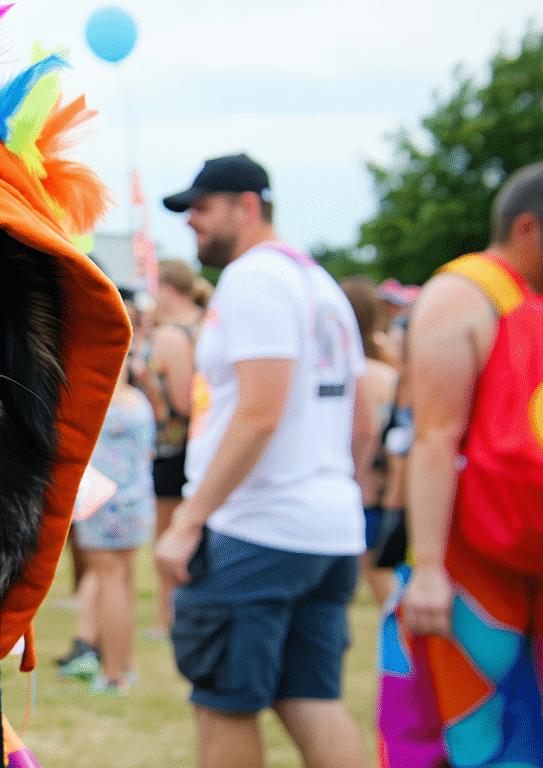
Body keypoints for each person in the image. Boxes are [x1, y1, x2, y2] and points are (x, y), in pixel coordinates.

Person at [154, 153, 371, 768]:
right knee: (312, 700)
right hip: (324, 526)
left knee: (223, 705)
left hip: (256, 531)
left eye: (202, 207)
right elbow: (359, 418)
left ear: (247, 206)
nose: (191, 222)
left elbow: (260, 413)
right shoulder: (322, 285)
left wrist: (190, 520)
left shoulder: (255, 278)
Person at [399, 159, 543, 767]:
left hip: (523, 554)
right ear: (528, 228)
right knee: (475, 735)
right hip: (474, 564)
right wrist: (427, 567)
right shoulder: (462, 295)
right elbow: (434, 436)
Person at [60, 296, 156, 696]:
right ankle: (124, 665)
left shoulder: (102, 394)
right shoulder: (135, 395)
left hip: (103, 504)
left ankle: (114, 673)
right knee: (122, 581)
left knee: (110, 581)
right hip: (134, 501)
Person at [141, 258, 207, 637]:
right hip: (196, 448)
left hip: (174, 448)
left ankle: (167, 618)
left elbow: (183, 401)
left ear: (166, 288)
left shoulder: (172, 335)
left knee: (169, 535)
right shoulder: (204, 323)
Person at [340, 276, 399, 607]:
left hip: (359, 493)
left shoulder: (349, 373)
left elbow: (365, 430)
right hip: (388, 493)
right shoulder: (390, 374)